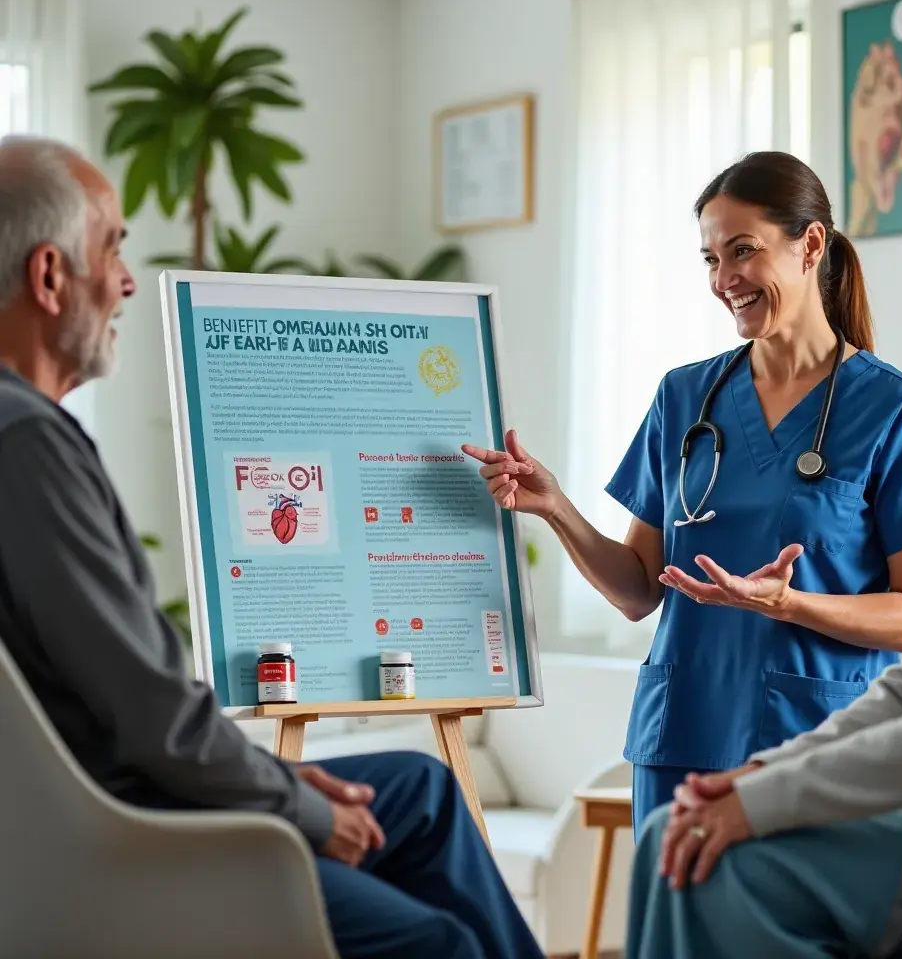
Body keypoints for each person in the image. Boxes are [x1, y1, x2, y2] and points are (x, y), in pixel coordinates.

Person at [0, 135, 543, 959]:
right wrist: (303, 808)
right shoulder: (28, 446)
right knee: (434, 942)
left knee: (423, 790)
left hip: (127, 795)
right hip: (132, 827)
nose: (126, 281)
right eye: (112, 249)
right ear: (49, 276)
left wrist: (284, 780)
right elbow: (153, 719)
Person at [464, 151, 902, 829]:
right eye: (710, 259)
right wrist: (555, 509)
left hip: (817, 745)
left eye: (743, 251)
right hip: (682, 740)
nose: (724, 280)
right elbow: (639, 591)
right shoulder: (684, 397)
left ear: (810, 244)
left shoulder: (896, 409)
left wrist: (790, 604)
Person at [625, 157, 902, 959]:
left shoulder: (895, 408)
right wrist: (761, 779)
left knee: (703, 866)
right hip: (700, 719)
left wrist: (767, 790)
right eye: (710, 258)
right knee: (672, 845)